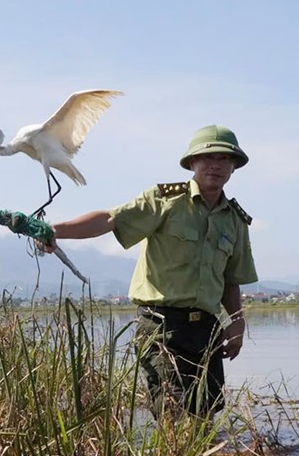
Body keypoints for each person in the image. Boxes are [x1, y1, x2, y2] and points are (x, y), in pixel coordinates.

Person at [40, 125, 258, 418]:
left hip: (206, 328)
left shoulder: (235, 221)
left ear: (234, 167)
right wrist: (56, 230)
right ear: (192, 163)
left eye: (224, 159)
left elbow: (231, 281)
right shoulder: (164, 201)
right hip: (162, 326)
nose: (215, 165)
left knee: (206, 409)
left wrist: (235, 326)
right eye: (207, 158)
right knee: (175, 410)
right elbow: (110, 219)